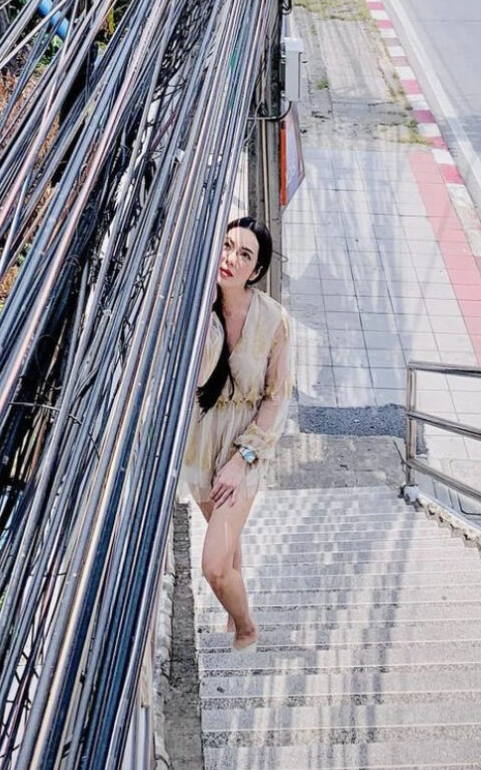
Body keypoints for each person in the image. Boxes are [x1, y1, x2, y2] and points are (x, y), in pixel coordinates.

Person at [182, 217, 292, 652]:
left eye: (244, 254)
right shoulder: (197, 305)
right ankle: (235, 608)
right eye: (227, 246)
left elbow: (276, 398)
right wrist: (204, 304)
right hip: (201, 438)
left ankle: (246, 627)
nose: (230, 258)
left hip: (244, 445)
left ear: (257, 270)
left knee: (213, 565)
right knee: (224, 540)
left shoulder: (273, 320)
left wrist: (242, 457)